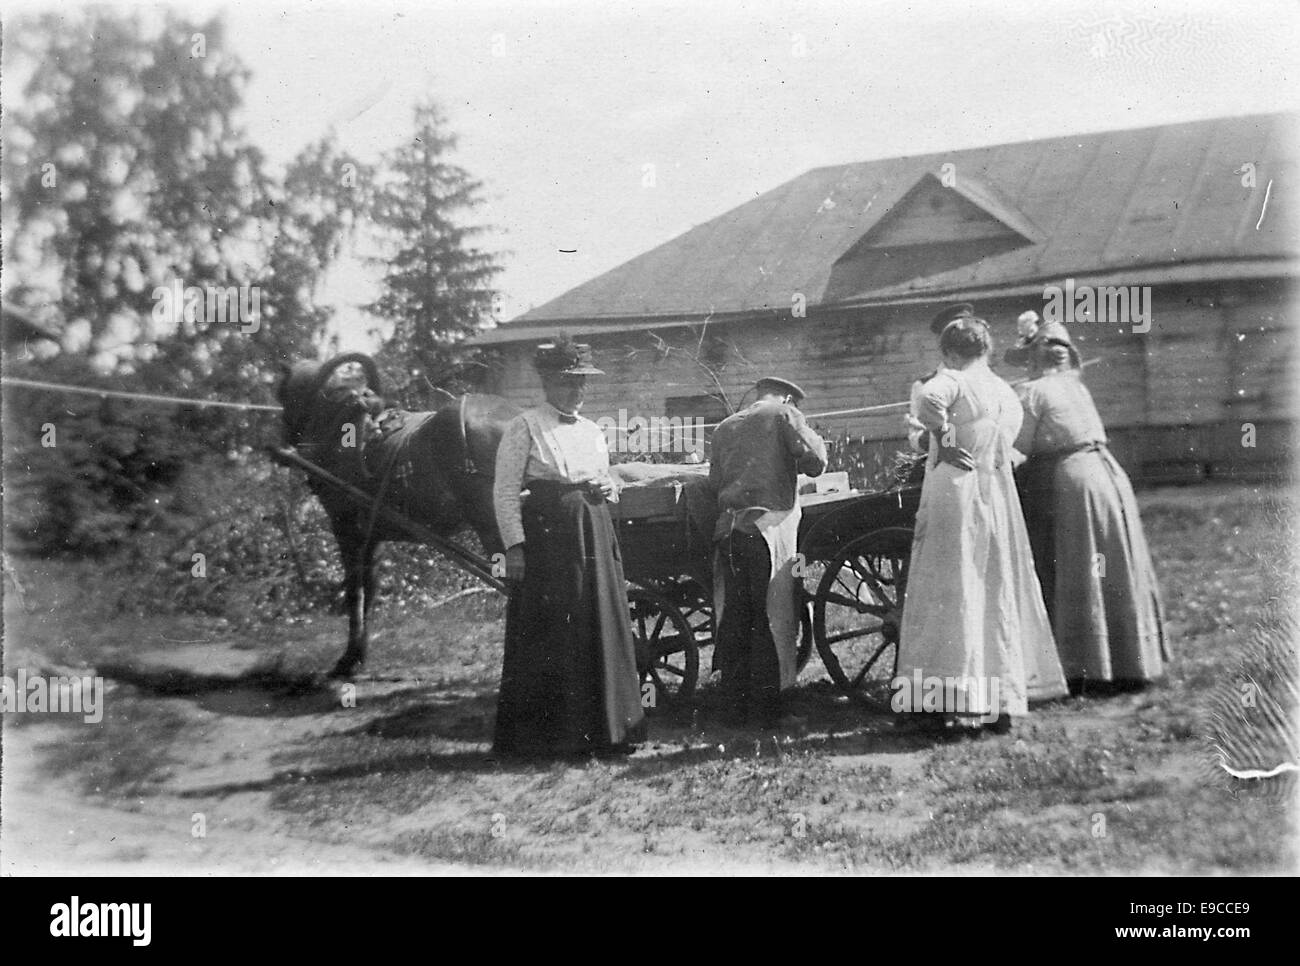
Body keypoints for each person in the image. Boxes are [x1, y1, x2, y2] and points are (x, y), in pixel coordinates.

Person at [897, 316, 1068, 737]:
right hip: (996, 492)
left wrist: (949, 443)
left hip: (956, 493)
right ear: (987, 351)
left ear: (949, 353)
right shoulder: (1002, 390)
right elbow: (1003, 440)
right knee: (994, 589)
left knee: (951, 587)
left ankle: (944, 703)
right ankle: (999, 702)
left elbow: (927, 405)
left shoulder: (952, 379)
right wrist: (948, 441)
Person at [491, 337, 646, 757]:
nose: (578, 390)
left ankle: (608, 731)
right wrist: (515, 548)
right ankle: (556, 737)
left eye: (583, 382)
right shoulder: (526, 427)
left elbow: (608, 483)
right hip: (549, 543)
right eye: (569, 382)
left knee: (600, 624)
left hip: (593, 531)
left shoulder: (594, 431)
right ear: (548, 382)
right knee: (559, 629)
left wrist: (606, 486)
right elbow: (505, 493)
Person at [1005, 320, 1170, 693]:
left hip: (1073, 482)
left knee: (1082, 566)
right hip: (1108, 475)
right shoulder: (1075, 387)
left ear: (1033, 358)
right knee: (1112, 566)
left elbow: (1020, 448)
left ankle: (1088, 667)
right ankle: (1129, 663)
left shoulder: (1031, 392)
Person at [708, 377, 827, 728]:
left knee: (736, 616)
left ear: (756, 396)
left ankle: (734, 704)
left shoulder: (725, 426)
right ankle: (773, 706)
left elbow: (714, 481)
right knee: (775, 615)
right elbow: (816, 462)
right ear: (789, 397)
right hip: (770, 528)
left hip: (730, 531)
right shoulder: (785, 415)